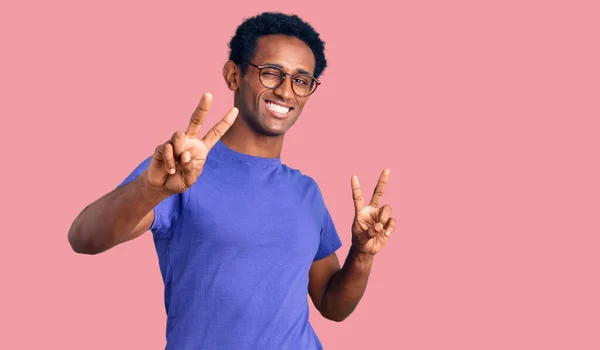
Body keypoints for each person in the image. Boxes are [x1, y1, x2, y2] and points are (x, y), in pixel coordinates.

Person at [68, 11, 396, 350]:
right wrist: (149, 190)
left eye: (301, 80)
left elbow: (332, 305)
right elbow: (82, 238)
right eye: (271, 73)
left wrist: (361, 254)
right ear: (233, 75)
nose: (286, 91)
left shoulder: (306, 192)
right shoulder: (180, 171)